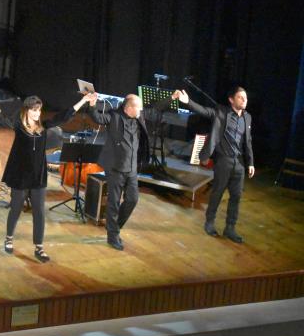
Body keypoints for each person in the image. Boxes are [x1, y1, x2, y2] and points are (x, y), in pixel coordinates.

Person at [0, 93, 97, 262]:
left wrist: (83, 101)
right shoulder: (19, 127)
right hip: (21, 176)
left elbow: (63, 117)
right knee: (16, 208)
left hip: (38, 176)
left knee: (39, 212)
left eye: (39, 110)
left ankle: (39, 247)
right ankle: (8, 238)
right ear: (26, 110)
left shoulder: (43, 126)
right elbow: (3, 119)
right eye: (34, 110)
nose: (37, 113)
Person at [86, 93, 171, 251]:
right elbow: (97, 118)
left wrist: (172, 98)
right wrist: (91, 105)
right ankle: (113, 236)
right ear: (129, 108)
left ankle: (115, 226)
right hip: (115, 168)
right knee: (114, 202)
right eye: (138, 107)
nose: (141, 109)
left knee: (133, 199)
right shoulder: (114, 117)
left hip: (131, 167)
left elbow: (155, 109)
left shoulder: (139, 117)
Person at [172, 87, 254, 243]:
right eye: (240, 97)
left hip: (240, 163)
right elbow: (203, 111)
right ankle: (209, 223)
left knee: (236, 196)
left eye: (246, 98)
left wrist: (250, 163)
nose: (244, 100)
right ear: (231, 100)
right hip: (224, 160)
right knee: (217, 193)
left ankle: (230, 228)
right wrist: (187, 102)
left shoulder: (247, 118)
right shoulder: (221, 112)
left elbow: (248, 142)